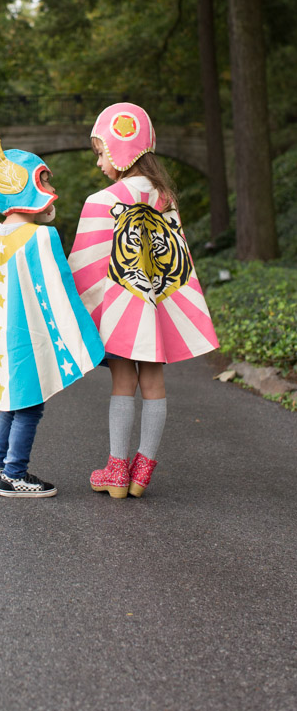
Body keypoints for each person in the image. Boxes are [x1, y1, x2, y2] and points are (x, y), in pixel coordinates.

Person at [68, 102, 219, 498]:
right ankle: (142, 473)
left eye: (101, 152)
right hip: (154, 310)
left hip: (122, 311)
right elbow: (179, 260)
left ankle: (116, 471)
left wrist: (79, 314)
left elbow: (84, 266)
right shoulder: (166, 198)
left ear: (119, 149)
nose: (99, 163)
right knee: (153, 381)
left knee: (123, 379)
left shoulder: (102, 200)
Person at [0, 140, 105, 498]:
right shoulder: (40, 237)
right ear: (26, 186)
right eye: (46, 181)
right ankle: (15, 473)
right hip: (30, 341)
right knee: (29, 406)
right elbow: (60, 289)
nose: (53, 191)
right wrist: (82, 338)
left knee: (12, 401)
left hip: (2, 343)